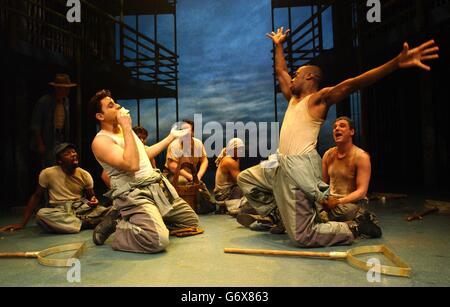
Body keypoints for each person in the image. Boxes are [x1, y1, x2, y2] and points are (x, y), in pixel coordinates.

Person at [237, 27, 439, 247]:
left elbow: (353, 83)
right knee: (246, 179)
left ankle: (351, 228)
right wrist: (278, 45)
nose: (291, 78)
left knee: (303, 237)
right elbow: (281, 72)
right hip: (280, 163)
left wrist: (395, 63)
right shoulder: (293, 99)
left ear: (310, 77)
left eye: (297, 75)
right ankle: (277, 217)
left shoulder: (318, 100)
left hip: (299, 166)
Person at [90, 90, 200, 254]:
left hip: (154, 187)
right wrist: (127, 127)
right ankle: (119, 224)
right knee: (157, 241)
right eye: (111, 105)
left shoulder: (125, 131)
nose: (118, 106)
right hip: (134, 193)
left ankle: (144, 220)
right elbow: (132, 165)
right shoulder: (101, 141)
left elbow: (144, 156)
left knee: (190, 221)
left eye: (115, 102)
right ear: (100, 116)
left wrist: (171, 137)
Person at [0, 143, 110, 234]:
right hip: (59, 210)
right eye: (67, 153)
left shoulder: (84, 174)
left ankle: (75, 223)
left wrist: (94, 201)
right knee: (42, 215)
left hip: (80, 209)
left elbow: (92, 197)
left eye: (73, 152)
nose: (73, 154)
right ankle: (88, 223)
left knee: (112, 210)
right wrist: (22, 223)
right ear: (59, 161)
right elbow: (36, 196)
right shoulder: (48, 173)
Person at [321, 117, 376, 228]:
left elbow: (361, 192)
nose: (337, 128)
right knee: (303, 204)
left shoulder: (361, 156)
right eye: (335, 127)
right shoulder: (328, 154)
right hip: (332, 203)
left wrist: (338, 201)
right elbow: (322, 184)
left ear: (351, 132)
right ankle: (351, 225)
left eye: (342, 126)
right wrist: (322, 200)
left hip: (351, 204)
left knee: (342, 212)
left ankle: (359, 219)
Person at [165, 119, 215, 214]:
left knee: (201, 187)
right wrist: (190, 177)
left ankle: (203, 205)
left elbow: (204, 160)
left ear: (193, 132)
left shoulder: (198, 143)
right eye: (182, 130)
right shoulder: (175, 145)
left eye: (187, 130)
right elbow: (172, 166)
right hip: (174, 175)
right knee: (183, 181)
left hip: (192, 174)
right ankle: (182, 209)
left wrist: (198, 176)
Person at [30, 74, 77, 167]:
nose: (67, 91)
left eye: (68, 88)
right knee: (49, 165)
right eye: (65, 88)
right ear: (57, 88)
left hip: (61, 137)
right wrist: (40, 143)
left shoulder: (66, 101)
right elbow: (36, 124)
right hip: (48, 138)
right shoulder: (44, 101)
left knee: (61, 165)